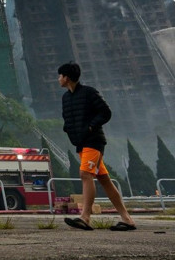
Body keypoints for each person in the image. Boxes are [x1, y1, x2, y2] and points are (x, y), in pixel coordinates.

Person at [58, 61, 137, 231]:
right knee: (104, 180)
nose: (58, 79)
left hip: (93, 141)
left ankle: (85, 218)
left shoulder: (89, 92)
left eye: (60, 76)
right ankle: (127, 220)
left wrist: (91, 127)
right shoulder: (66, 98)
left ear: (67, 77)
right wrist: (68, 128)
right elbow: (67, 118)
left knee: (85, 174)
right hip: (80, 143)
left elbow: (105, 112)